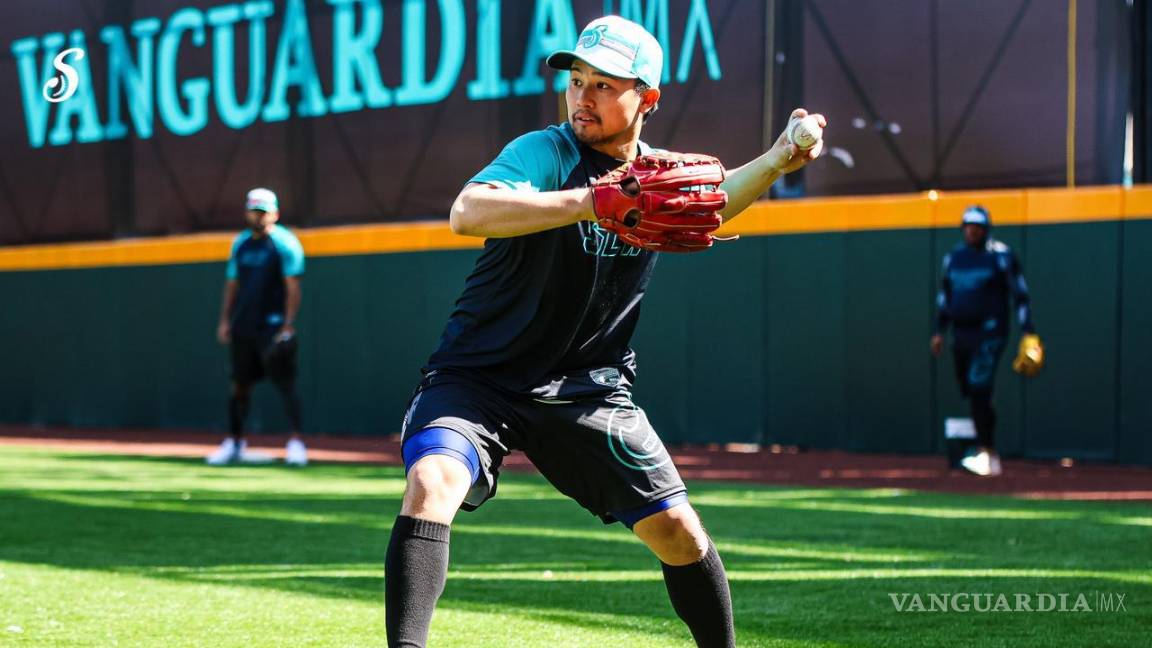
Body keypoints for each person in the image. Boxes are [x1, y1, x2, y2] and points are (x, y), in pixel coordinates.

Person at [383, 16, 823, 648]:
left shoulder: (656, 175)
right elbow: (467, 211)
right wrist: (593, 200)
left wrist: (780, 158)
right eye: (577, 79)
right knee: (432, 482)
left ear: (647, 98)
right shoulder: (545, 151)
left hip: (588, 390)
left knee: (680, 532)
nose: (582, 96)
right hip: (479, 378)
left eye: (603, 84)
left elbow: (713, 200)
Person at [930, 205, 1036, 477]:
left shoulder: (1001, 256)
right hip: (961, 334)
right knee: (971, 389)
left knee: (979, 387)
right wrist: (939, 331)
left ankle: (988, 453)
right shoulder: (954, 258)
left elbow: (1020, 296)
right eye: (967, 226)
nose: (971, 231)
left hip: (990, 333)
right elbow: (945, 295)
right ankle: (984, 448)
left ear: (986, 229)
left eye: (976, 226)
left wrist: (1028, 332)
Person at [208, 188, 308, 467]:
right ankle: (235, 441)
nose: (259, 216)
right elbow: (232, 285)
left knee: (285, 385)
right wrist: (225, 321)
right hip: (243, 327)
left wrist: (287, 325)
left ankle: (297, 442)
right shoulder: (240, 244)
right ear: (247, 212)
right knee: (239, 385)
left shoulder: (285, 243)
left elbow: (293, 288)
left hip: (273, 327)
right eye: (255, 210)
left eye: (264, 211)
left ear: (275, 213)